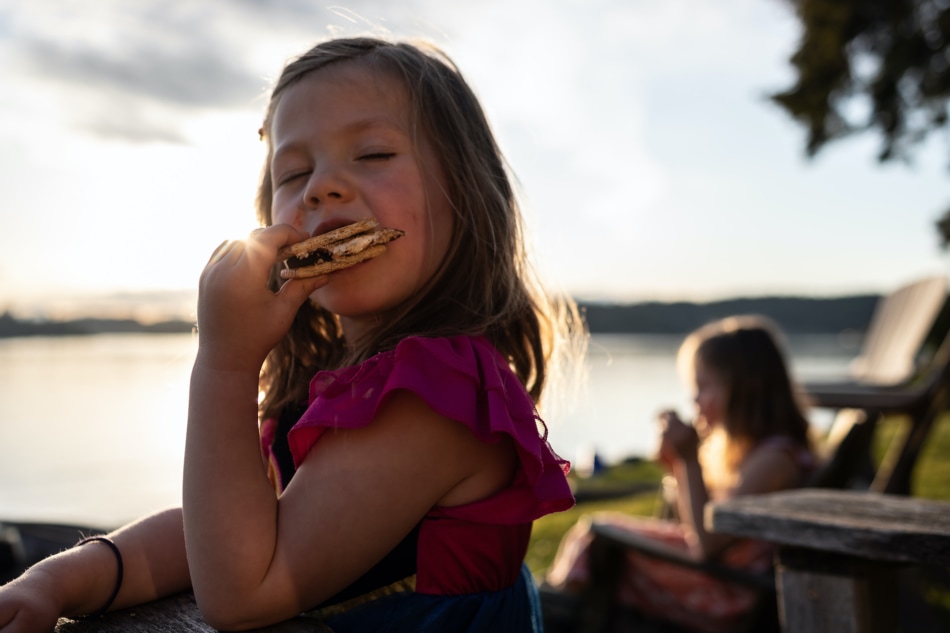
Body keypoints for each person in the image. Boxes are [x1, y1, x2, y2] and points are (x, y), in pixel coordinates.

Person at [0, 37, 583, 632]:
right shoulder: (333, 387)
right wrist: (61, 579)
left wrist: (225, 364)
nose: (321, 187)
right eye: (295, 171)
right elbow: (222, 530)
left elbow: (242, 592)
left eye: (374, 154)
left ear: (463, 191)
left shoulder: (437, 397)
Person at [545, 315, 815, 633]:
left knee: (597, 536)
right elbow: (690, 524)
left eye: (704, 387)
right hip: (721, 577)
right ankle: (562, 605)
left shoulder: (774, 460)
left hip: (727, 596)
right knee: (596, 533)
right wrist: (678, 465)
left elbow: (707, 544)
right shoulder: (757, 452)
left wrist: (689, 460)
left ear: (746, 388)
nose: (695, 401)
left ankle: (563, 611)